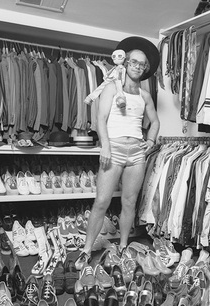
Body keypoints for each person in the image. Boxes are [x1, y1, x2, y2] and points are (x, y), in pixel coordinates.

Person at [76, 36, 160, 267]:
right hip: (113, 150)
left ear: (145, 69)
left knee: (129, 203)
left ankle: (123, 247)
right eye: (133, 62)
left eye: (142, 64)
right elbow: (100, 119)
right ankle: (86, 249)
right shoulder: (111, 88)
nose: (137, 66)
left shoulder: (145, 96)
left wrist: (150, 140)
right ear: (125, 63)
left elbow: (155, 122)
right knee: (101, 201)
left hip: (136, 153)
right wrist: (105, 146)